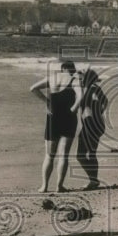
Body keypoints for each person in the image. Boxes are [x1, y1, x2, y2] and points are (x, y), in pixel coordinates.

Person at [31, 60, 82, 192]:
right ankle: (59, 186)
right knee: (64, 155)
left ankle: (44, 186)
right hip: (68, 117)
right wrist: (75, 108)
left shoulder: (52, 78)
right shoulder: (74, 80)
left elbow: (33, 88)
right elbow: (81, 96)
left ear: (62, 68)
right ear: (72, 69)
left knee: (49, 155)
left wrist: (47, 101)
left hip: (52, 117)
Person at [76, 67, 108, 189]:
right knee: (91, 153)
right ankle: (94, 180)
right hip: (98, 124)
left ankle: (93, 180)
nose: (79, 80)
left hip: (90, 124)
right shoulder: (96, 88)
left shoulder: (87, 90)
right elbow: (106, 101)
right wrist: (99, 112)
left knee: (80, 155)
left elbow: (84, 104)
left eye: (81, 78)